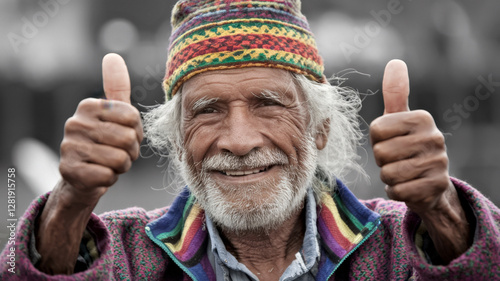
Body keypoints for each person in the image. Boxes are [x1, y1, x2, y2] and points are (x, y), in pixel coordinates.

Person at [1, 1, 499, 280]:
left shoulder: (399, 249)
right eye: (208, 111)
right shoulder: (127, 256)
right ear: (177, 139)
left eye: (268, 104)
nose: (238, 140)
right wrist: (69, 205)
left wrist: (442, 210)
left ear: (319, 127)